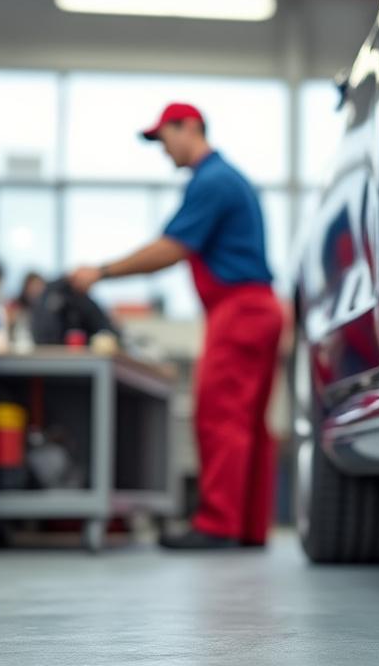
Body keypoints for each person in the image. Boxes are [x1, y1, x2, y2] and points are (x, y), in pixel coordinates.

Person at [69, 102, 284, 550]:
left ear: (189, 127)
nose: (162, 150)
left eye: (163, 138)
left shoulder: (212, 181)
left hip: (239, 308)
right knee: (248, 422)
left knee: (219, 415)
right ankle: (246, 528)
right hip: (259, 307)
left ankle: (218, 525)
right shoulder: (230, 178)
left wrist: (101, 272)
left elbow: (170, 249)